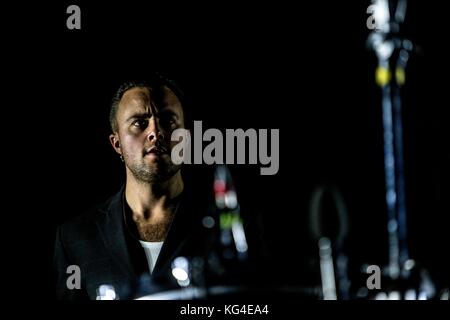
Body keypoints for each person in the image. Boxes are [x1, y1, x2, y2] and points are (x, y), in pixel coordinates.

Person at [54, 74, 211, 300]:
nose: (155, 132)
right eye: (139, 122)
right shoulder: (75, 238)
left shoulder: (226, 223)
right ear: (116, 143)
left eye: (168, 120)